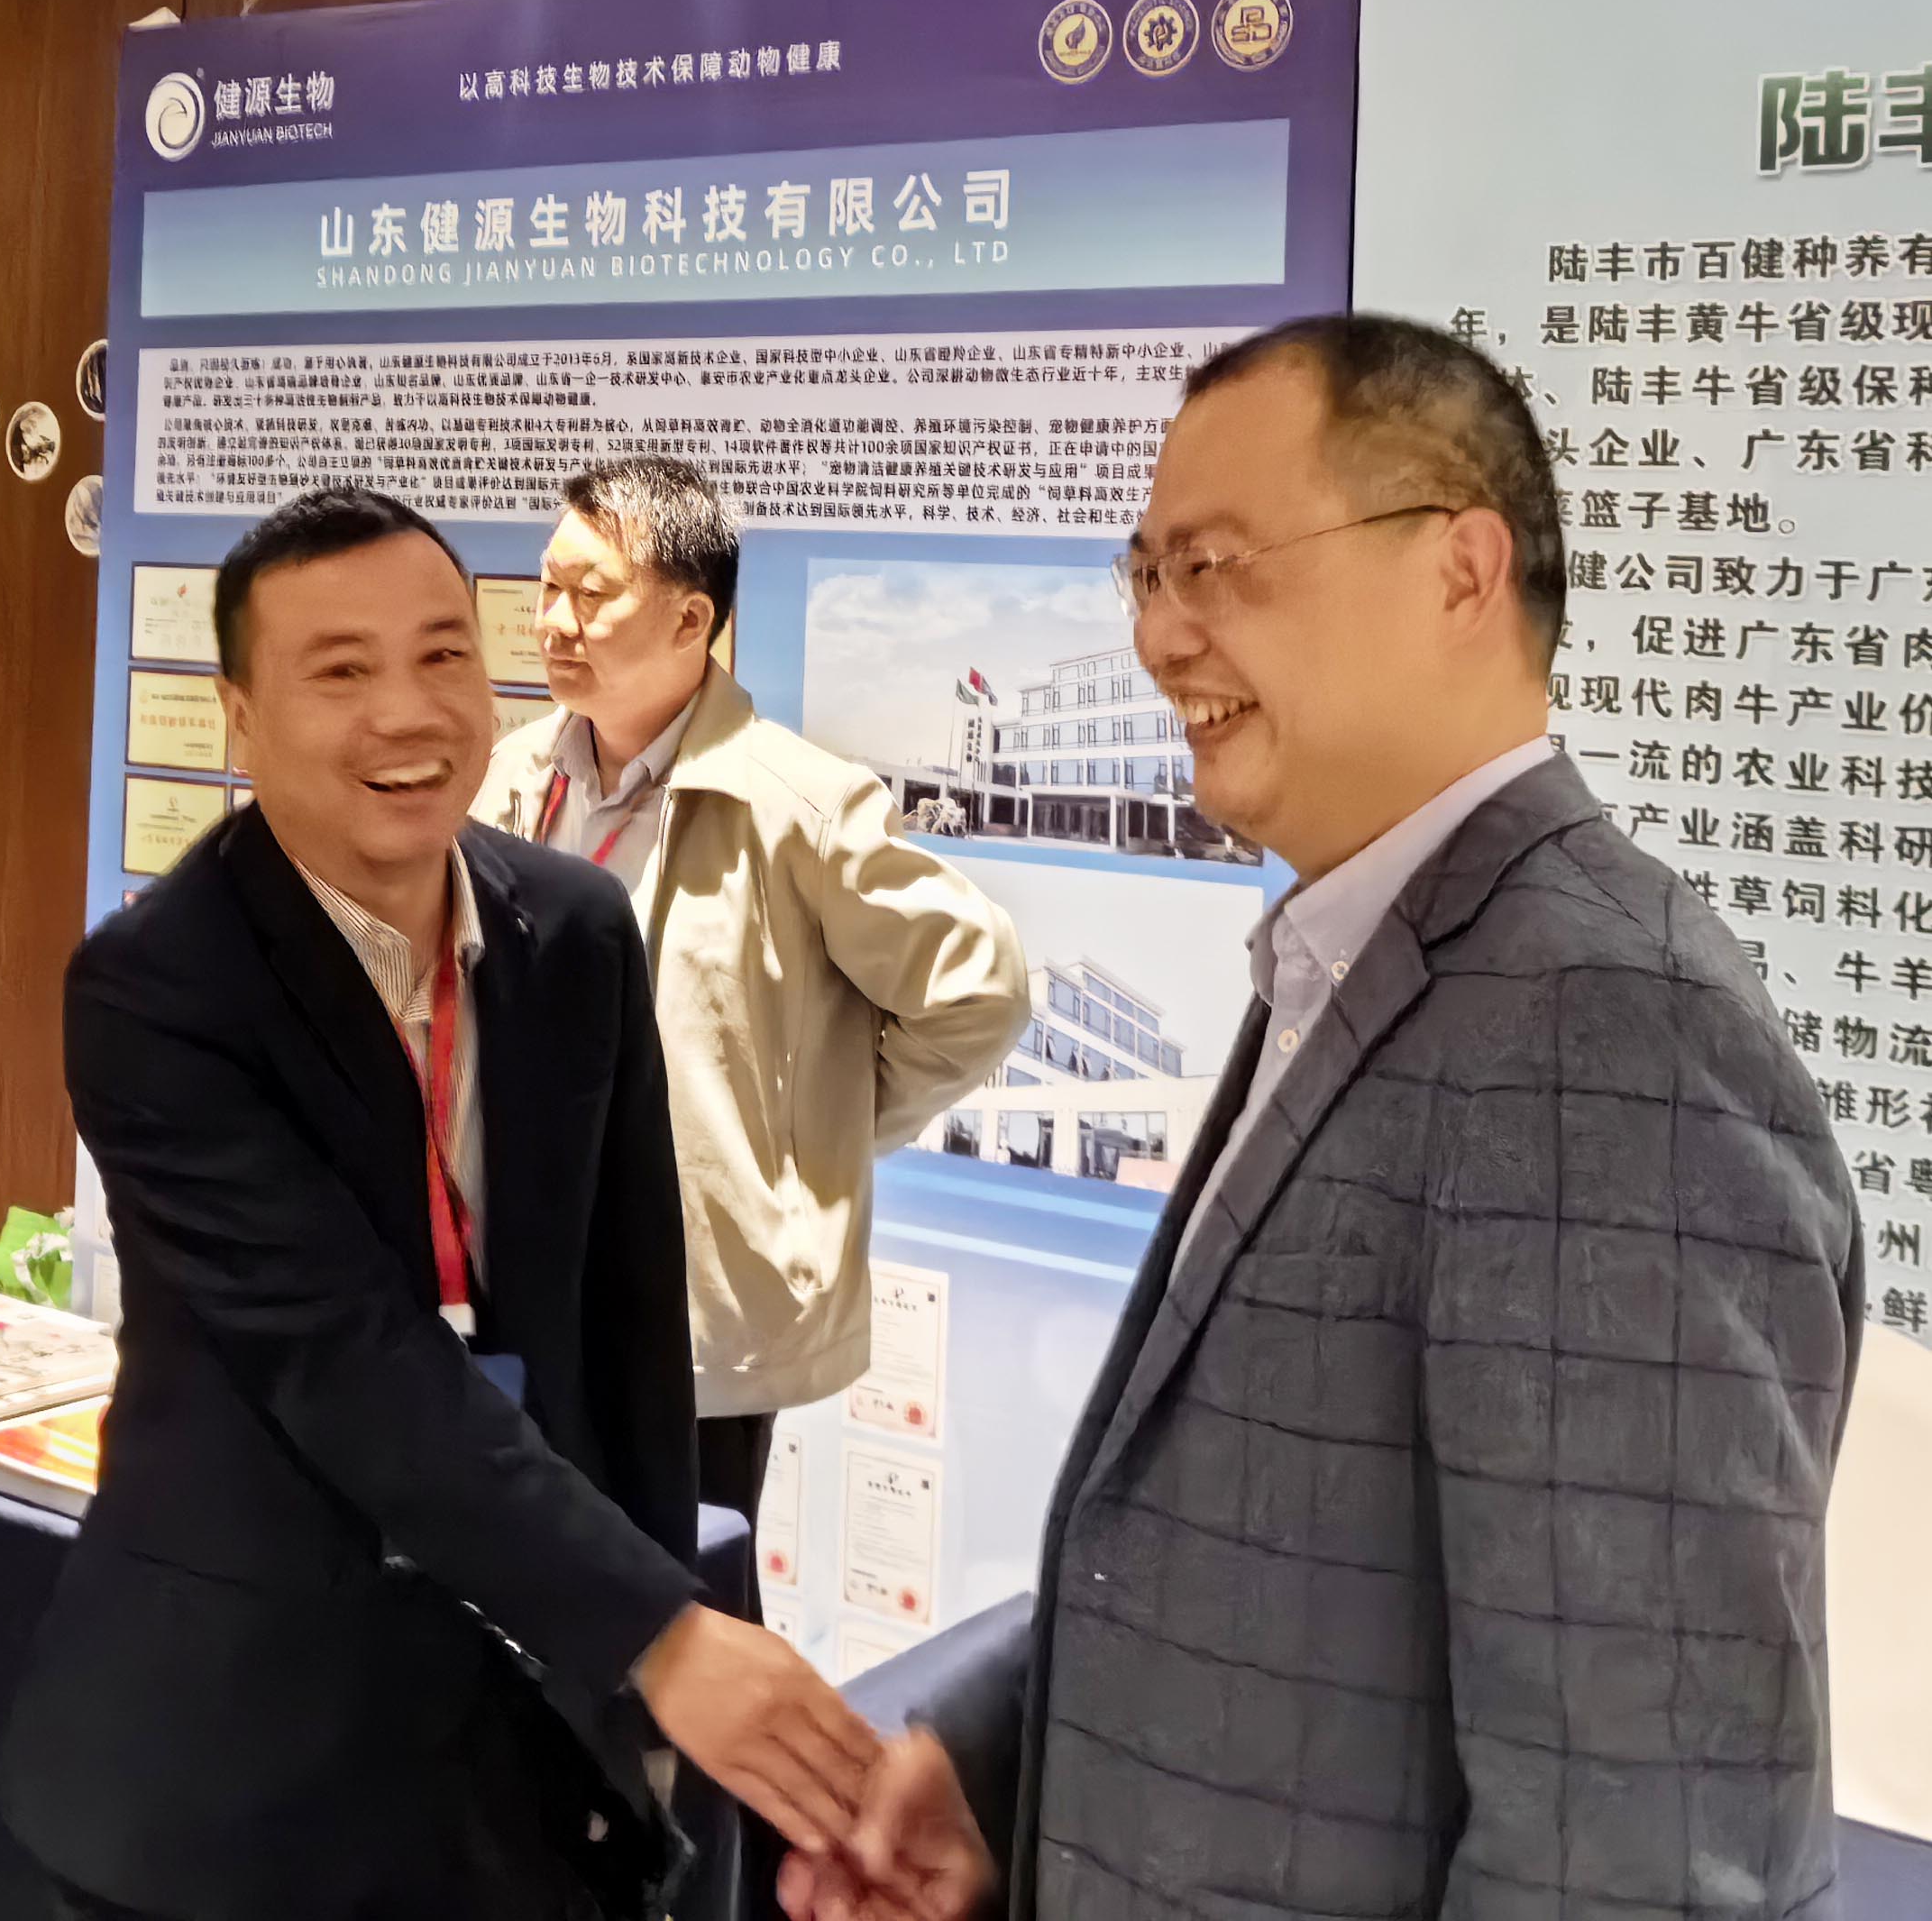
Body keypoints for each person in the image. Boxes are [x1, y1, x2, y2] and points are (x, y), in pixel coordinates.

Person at [786, 316, 1863, 1921]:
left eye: (1215, 565)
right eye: (1146, 573)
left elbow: (1644, 1844)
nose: (1162, 636)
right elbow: (1300, 1590)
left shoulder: (1607, 1031)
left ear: (1459, 570)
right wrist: (1008, 1775)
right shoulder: (1366, 951)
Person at [2, 486, 884, 1920]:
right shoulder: (158, 988)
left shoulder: (574, 932)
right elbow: (342, 1358)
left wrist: (647, 1684)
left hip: (519, 1754)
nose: (407, 713)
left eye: (442, 655)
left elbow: (628, 1332)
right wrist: (657, 1635)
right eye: (341, 671)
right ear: (240, 718)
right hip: (233, 1758)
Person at [478, 456, 1027, 1533]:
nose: (554, 621)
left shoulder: (798, 803)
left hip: (691, 1309)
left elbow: (978, 988)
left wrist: (815, 1128)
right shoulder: (509, 777)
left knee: (687, 1591)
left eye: (591, 594)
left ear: (691, 620)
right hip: (521, 1272)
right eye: (548, 586)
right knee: (523, 1581)